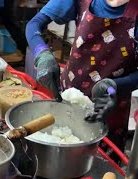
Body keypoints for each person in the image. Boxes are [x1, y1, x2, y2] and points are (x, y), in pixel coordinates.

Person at [25, 0, 137, 160]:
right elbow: (34, 24)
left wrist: (114, 87)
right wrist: (41, 53)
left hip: (108, 108)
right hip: (68, 96)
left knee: (100, 165)